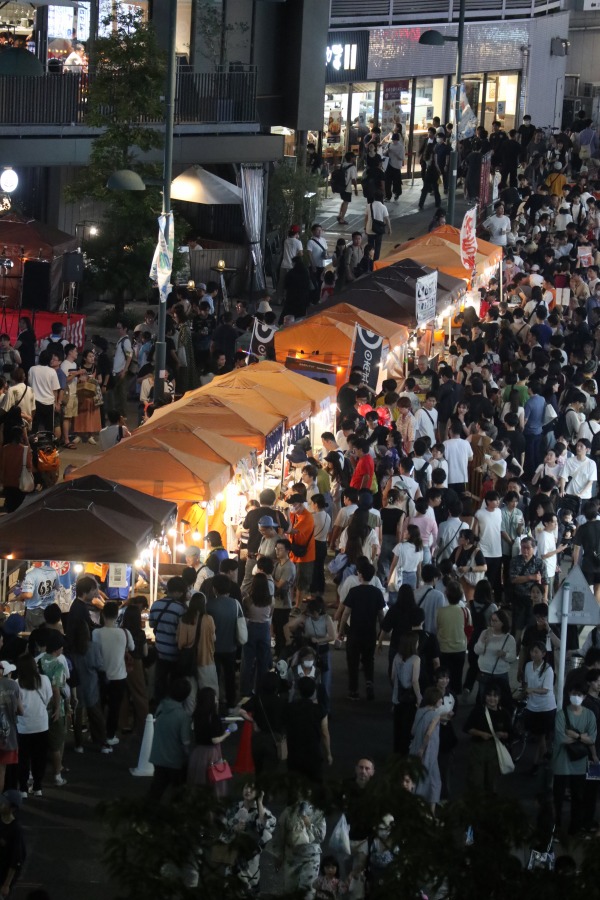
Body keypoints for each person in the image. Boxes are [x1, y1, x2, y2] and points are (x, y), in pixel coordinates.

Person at [552, 685, 597, 836]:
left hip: (579, 764)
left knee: (578, 797)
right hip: (561, 763)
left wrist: (574, 735)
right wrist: (582, 737)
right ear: (569, 694)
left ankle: (574, 827)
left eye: (579, 694)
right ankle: (555, 827)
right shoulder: (561, 714)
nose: (576, 697)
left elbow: (592, 739)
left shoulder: (590, 715)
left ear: (584, 697)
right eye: (574, 693)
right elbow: (560, 738)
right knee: (557, 798)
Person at [340, 561, 385, 702]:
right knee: (368, 660)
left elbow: (346, 613)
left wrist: (341, 629)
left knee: (353, 661)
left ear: (360, 575)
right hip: (370, 632)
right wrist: (381, 632)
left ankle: (353, 691)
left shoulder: (354, 591)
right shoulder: (377, 592)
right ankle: (369, 684)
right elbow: (380, 614)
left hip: (354, 632)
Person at [92, 601, 134, 746]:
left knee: (100, 706)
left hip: (101, 675)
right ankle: (110, 735)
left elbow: (94, 650)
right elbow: (132, 647)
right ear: (117, 615)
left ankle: (97, 735)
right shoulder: (124, 633)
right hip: (119, 676)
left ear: (102, 614)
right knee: (115, 708)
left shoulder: (96, 633)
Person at [223, 782, 276, 893]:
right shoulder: (235, 807)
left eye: (252, 789)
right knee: (230, 888)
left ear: (258, 793)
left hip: (250, 856)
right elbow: (225, 825)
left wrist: (260, 802)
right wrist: (234, 828)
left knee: (250, 886)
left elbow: (264, 826)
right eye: (247, 787)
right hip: (233, 854)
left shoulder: (261, 810)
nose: (248, 791)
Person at [271, 793, 326, 897]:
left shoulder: (318, 812)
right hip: (291, 858)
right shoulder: (288, 812)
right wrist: (278, 854)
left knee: (308, 892)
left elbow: (321, 837)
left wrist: (309, 824)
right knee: (290, 891)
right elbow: (279, 835)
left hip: (311, 857)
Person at [69, 620, 112, 754]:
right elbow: (99, 665)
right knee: (96, 715)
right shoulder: (94, 647)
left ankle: (78, 744)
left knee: (77, 716)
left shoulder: (71, 649)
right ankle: (102, 743)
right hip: (92, 684)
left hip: (76, 687)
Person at [148, 678, 192, 801]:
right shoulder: (183, 717)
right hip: (175, 761)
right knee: (178, 792)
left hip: (158, 757)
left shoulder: (161, 707)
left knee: (156, 790)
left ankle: (146, 814)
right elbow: (185, 743)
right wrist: (188, 758)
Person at [464, 681, 512, 793]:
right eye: (489, 695)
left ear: (499, 698)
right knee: (476, 782)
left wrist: (504, 735)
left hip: (495, 751)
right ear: (484, 696)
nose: (492, 699)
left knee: (492, 782)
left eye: (495, 696)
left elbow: (511, 734)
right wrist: (481, 734)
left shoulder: (504, 714)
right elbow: (467, 728)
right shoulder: (478, 711)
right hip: (477, 749)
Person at [206, 574, 245, 714]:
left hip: (213, 648)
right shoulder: (235, 604)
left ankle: (214, 703)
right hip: (231, 647)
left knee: (214, 677)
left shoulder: (209, 604)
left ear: (214, 589)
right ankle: (230, 703)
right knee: (230, 676)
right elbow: (240, 623)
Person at [15, 654, 52, 798]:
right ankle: (38, 787)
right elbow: (48, 698)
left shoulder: (17, 683)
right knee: (40, 758)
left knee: (23, 758)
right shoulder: (44, 680)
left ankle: (23, 788)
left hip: (23, 727)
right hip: (41, 724)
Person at [148, 576, 188, 703]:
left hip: (160, 651)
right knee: (175, 683)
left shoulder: (156, 604)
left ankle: (160, 707)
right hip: (176, 653)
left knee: (160, 682)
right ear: (177, 592)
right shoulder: (181, 609)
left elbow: (152, 625)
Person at [284, 677, 332, 782]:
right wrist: (328, 754)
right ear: (314, 691)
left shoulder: (289, 708)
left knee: (294, 784)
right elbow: (325, 733)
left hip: (294, 752)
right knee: (315, 785)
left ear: (299, 691)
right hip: (313, 753)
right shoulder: (320, 710)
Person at [37, 630, 67, 786]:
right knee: (56, 745)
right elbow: (56, 688)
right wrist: (56, 708)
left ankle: (32, 777)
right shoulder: (58, 664)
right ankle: (57, 775)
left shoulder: (38, 661)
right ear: (58, 649)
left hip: (39, 707)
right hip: (55, 708)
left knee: (37, 745)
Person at [409, 686, 443, 814]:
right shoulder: (436, 715)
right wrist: (423, 749)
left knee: (419, 777)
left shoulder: (420, 711)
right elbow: (429, 734)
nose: (441, 701)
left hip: (415, 747)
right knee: (431, 779)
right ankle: (428, 811)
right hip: (428, 750)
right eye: (440, 698)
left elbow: (412, 730)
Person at [523, 641, 557, 770]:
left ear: (543, 654)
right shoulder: (528, 665)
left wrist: (532, 690)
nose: (533, 654)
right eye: (532, 651)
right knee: (539, 736)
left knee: (541, 736)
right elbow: (526, 683)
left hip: (546, 707)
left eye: (536, 651)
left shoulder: (548, 669)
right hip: (532, 706)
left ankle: (539, 762)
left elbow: (546, 689)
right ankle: (544, 759)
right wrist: (526, 691)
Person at [474, 609, 516, 707]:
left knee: (502, 699)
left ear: (503, 622)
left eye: (495, 621)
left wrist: (504, 654)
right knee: (484, 699)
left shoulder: (509, 639)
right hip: (485, 672)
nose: (492, 623)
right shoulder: (485, 633)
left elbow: (513, 658)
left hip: (500, 673)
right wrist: (484, 642)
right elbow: (477, 650)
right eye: (491, 620)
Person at [241, 573, 273, 697]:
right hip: (265, 629)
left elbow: (247, 615)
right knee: (263, 661)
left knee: (247, 661)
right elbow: (270, 616)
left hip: (251, 629)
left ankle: (245, 690)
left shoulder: (247, 600)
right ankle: (261, 689)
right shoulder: (271, 599)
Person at [436, 580, 469, 696]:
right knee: (457, 674)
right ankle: (455, 696)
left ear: (446, 594)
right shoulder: (465, 611)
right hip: (460, 647)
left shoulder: (440, 611)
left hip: (444, 647)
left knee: (444, 675)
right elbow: (469, 629)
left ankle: (444, 695)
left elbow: (437, 627)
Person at [391, 632, 421, 754]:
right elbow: (414, 680)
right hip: (410, 698)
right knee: (408, 727)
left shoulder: (397, 656)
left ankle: (396, 752)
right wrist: (419, 697)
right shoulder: (416, 659)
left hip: (397, 696)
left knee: (397, 727)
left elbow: (393, 676)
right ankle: (405, 754)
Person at [0, 425, 32, 513]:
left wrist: (2, 481)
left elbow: (2, 467)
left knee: (10, 507)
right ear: (21, 436)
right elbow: (29, 467)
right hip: (21, 483)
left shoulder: (5, 449)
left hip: (8, 482)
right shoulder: (25, 450)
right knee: (20, 507)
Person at [573, 500, 600, 602]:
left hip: (588, 564)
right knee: (598, 589)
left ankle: (588, 611)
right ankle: (596, 612)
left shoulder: (582, 529)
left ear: (584, 514)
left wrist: (575, 564)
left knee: (587, 589)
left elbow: (576, 548)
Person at [0, 790, 26, 898]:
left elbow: (16, 860)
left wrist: (6, 885)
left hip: (4, 872)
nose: (0, 804)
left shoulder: (15, 829)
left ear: (12, 808)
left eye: (4, 803)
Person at [364, 190, 390, 261]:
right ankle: (376, 261)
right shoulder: (383, 207)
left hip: (370, 229)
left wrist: (365, 228)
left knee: (370, 246)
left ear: (374, 197)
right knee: (378, 246)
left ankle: (369, 259)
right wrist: (389, 229)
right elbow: (387, 219)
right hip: (379, 230)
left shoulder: (369, 206)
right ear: (382, 197)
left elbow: (366, 218)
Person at [337, 151, 358, 225]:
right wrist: (355, 189)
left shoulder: (343, 165)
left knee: (344, 201)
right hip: (347, 187)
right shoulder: (352, 167)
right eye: (354, 157)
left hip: (341, 186)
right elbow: (353, 179)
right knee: (346, 202)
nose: (355, 159)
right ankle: (342, 219)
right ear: (352, 158)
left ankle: (339, 215)